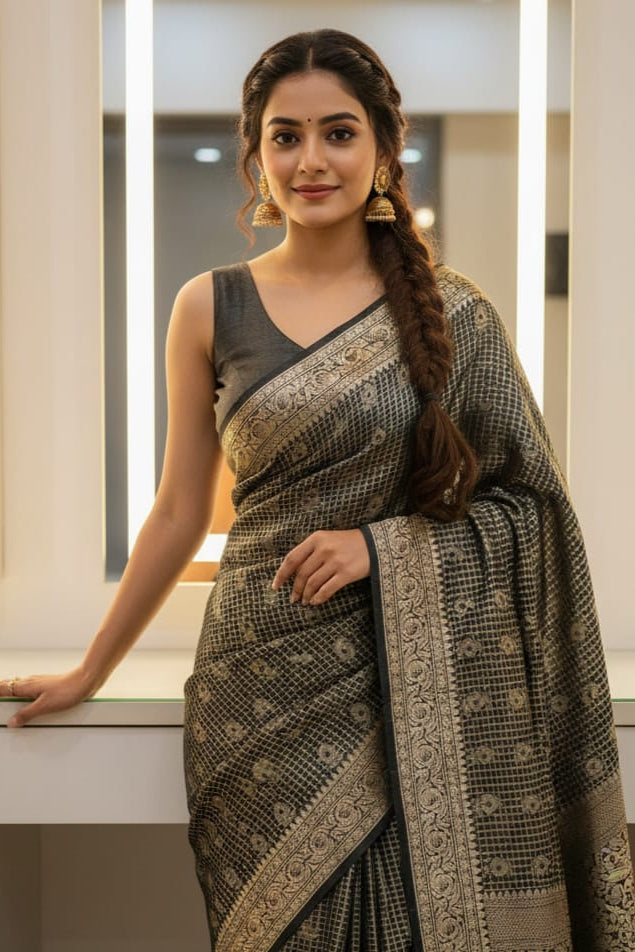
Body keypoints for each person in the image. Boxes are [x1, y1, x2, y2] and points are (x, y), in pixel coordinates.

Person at [2, 27, 634, 952]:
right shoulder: (207, 305)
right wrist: (90, 671)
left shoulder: (457, 315)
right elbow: (178, 510)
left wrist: (382, 547)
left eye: (338, 133)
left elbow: (534, 512)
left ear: (382, 148)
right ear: (255, 155)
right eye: (285, 136)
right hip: (255, 688)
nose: (311, 161)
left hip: (410, 691)